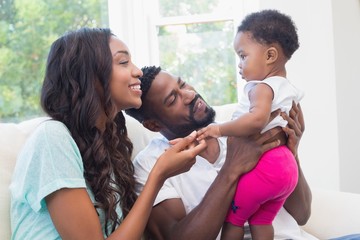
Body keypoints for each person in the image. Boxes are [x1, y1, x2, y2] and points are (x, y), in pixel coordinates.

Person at [9, 27, 208, 240]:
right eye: (123, 63)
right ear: (89, 75)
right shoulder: (52, 138)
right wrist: (159, 174)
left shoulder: (107, 142)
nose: (138, 71)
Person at [125, 65, 315, 240]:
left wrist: (292, 154)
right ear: (153, 125)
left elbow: (302, 214)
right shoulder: (151, 164)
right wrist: (232, 168)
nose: (190, 94)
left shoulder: (243, 128)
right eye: (173, 99)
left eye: (183, 84)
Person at [196, 9, 303, 240]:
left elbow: (257, 120)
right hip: (287, 168)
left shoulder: (261, 87)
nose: (239, 65)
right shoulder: (287, 88)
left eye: (243, 56)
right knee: (262, 220)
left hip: (266, 168)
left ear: (270, 55)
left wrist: (219, 129)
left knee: (234, 218)